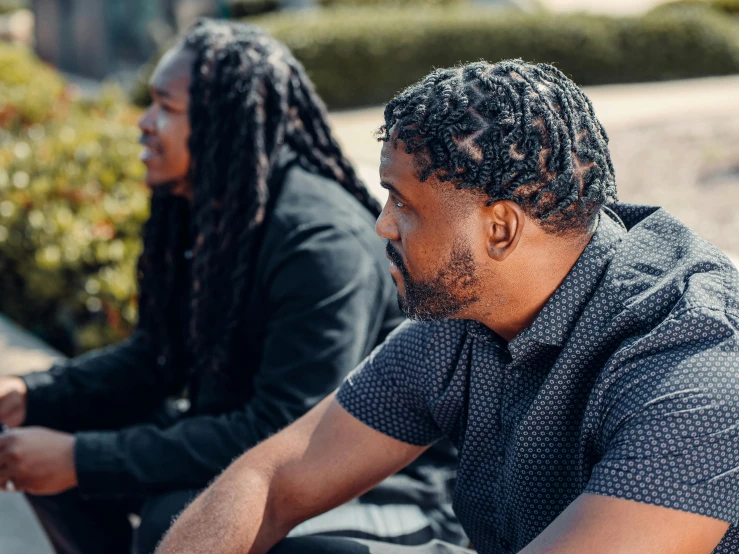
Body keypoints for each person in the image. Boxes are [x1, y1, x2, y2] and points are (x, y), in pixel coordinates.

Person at [155, 59, 739, 554]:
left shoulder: (696, 364)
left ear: (501, 229)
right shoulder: (466, 313)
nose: (381, 226)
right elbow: (273, 479)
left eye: (403, 204)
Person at [0, 20, 464, 554]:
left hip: (378, 487)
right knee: (49, 431)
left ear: (227, 121)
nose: (144, 124)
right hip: (256, 450)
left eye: (166, 108)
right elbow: (157, 357)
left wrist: (83, 459)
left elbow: (286, 435)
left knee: (168, 519)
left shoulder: (319, 242)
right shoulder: (213, 210)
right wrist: (33, 396)